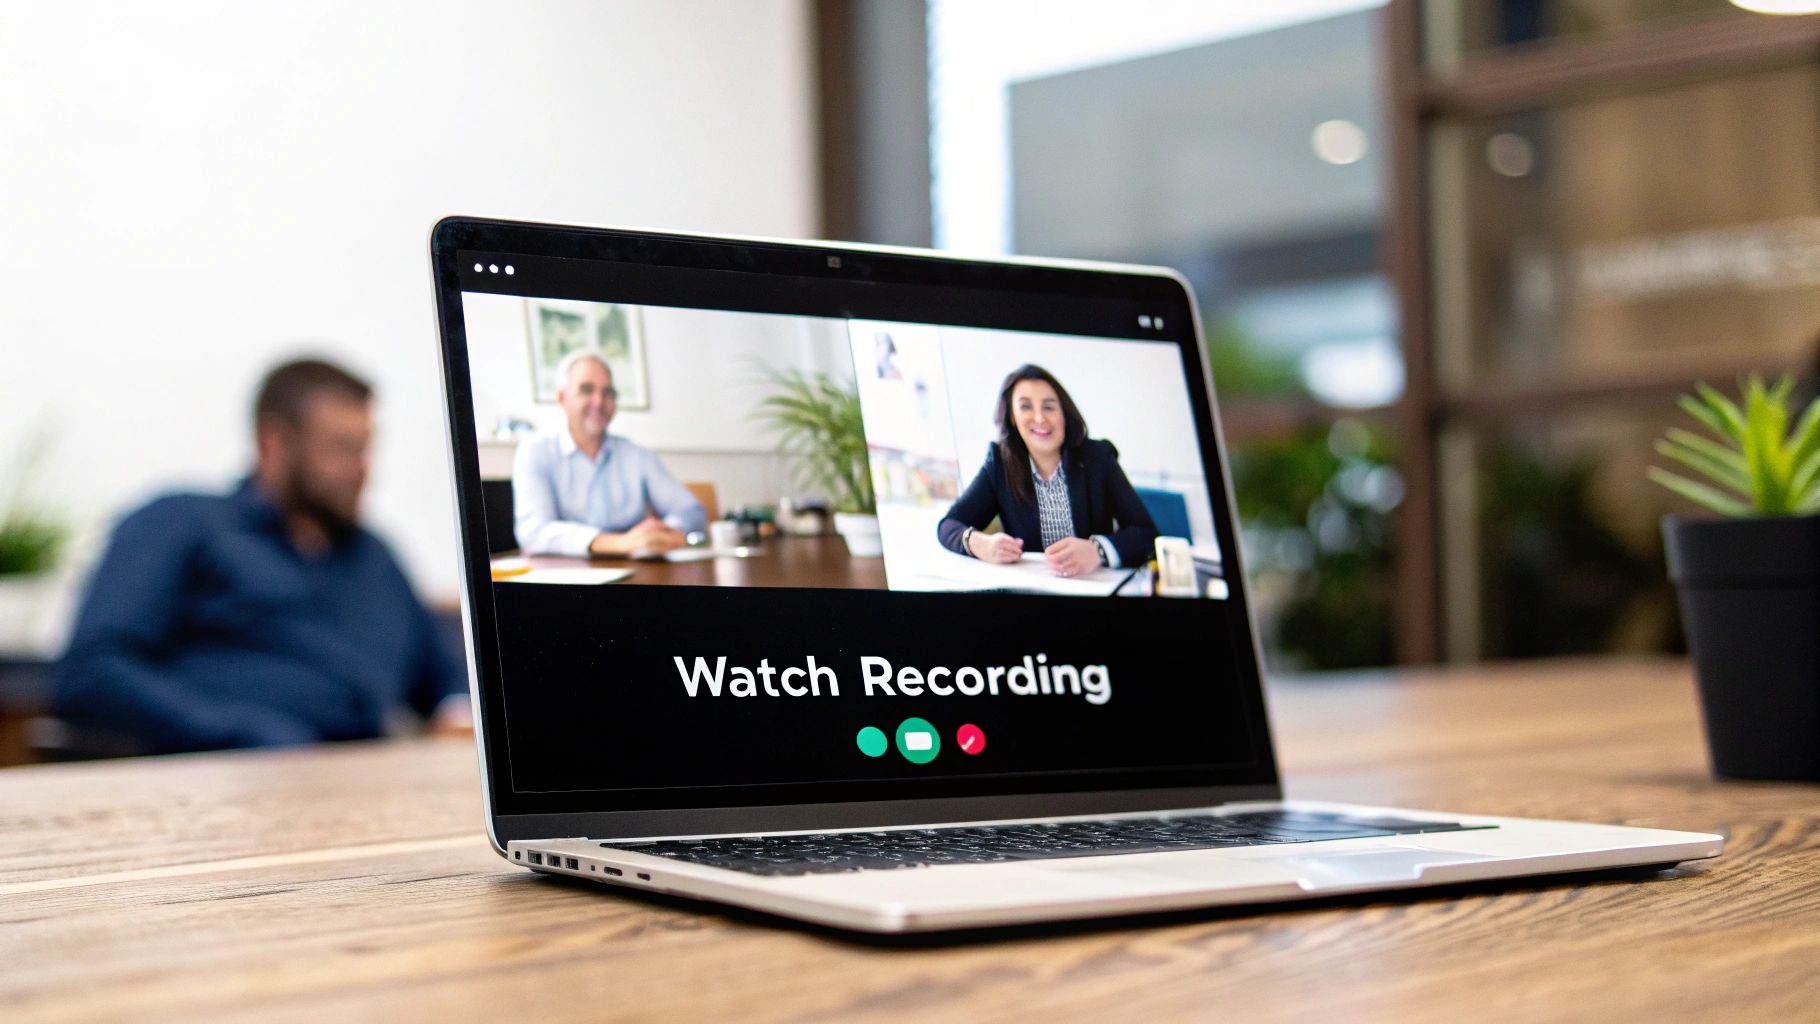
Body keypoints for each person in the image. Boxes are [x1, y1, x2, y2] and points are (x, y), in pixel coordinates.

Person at [57, 359, 472, 753]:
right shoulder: (183, 523)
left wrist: (458, 711)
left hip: (374, 778)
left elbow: (446, 677)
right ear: (273, 443)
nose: (361, 469)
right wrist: (243, 735)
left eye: (365, 449)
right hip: (230, 779)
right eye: (340, 449)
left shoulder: (375, 557)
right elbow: (92, 672)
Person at [937, 364, 1157, 577]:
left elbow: (1148, 534)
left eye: (1049, 407)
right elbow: (948, 525)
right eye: (1026, 407)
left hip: (1094, 585)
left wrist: (1098, 550)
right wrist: (978, 543)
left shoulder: (1098, 457)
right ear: (1013, 416)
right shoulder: (999, 464)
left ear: (1064, 414)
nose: (1040, 418)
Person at [512, 349, 706, 556]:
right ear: (561, 398)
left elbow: (690, 510)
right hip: (564, 572)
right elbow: (533, 531)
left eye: (608, 393)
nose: (599, 402)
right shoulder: (535, 451)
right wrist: (617, 543)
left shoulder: (637, 456)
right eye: (586, 390)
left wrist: (662, 534)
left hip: (635, 570)